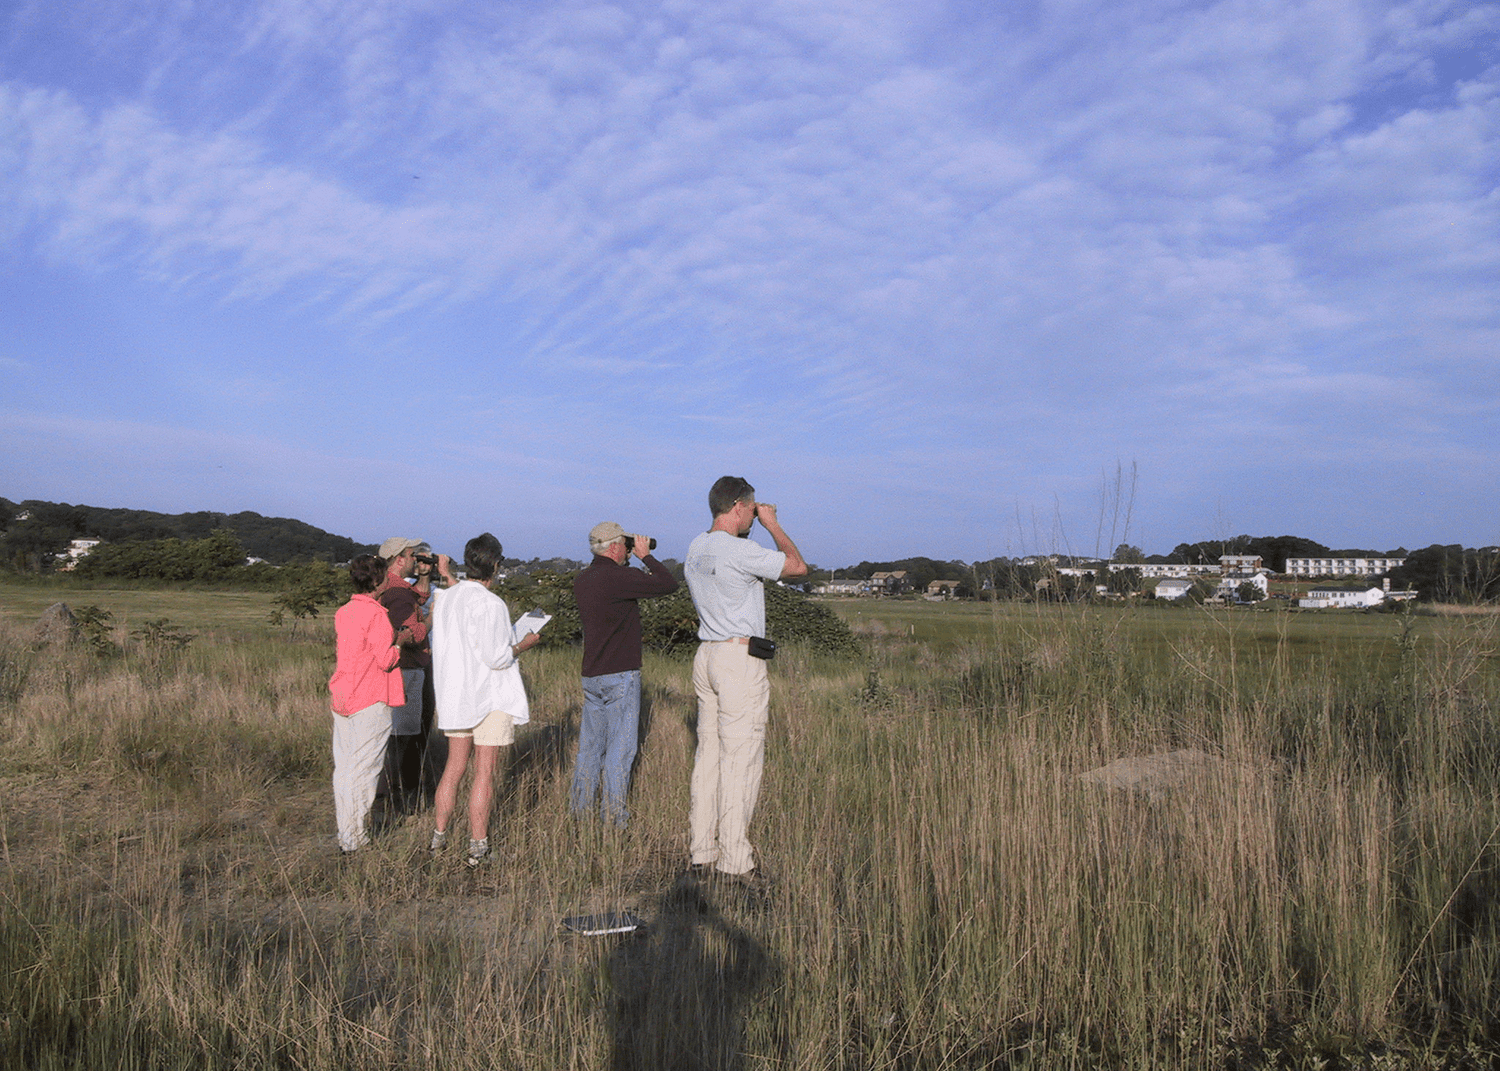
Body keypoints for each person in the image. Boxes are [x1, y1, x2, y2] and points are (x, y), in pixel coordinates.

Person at [683, 476, 806, 885]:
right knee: (741, 759)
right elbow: (796, 567)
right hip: (738, 659)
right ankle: (736, 861)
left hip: (707, 654)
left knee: (709, 757)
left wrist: (755, 520)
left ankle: (702, 852)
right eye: (751, 509)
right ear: (738, 506)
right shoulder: (740, 550)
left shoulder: (696, 547)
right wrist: (772, 524)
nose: (754, 515)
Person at [427, 533, 541, 868]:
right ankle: (478, 847)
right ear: (495, 563)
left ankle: (438, 838)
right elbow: (497, 658)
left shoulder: (446, 599)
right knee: (484, 773)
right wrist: (523, 645)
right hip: (488, 697)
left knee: (453, 769)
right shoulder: (492, 604)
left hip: (454, 695)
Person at [570, 521, 679, 826]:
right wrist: (646, 556)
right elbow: (668, 583)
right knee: (620, 749)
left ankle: (580, 813)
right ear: (616, 546)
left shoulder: (583, 579)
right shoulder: (620, 577)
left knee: (590, 749)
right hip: (620, 674)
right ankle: (614, 818)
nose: (629, 550)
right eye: (627, 546)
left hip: (592, 675)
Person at [327, 553, 411, 854]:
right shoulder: (376, 614)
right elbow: (385, 660)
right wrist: (400, 641)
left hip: (344, 695)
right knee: (366, 770)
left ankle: (347, 832)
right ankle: (354, 837)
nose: (388, 578)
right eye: (385, 575)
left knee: (345, 768)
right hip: (370, 697)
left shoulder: (344, 611)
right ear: (376, 581)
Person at [376, 537, 432, 808]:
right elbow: (411, 634)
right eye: (412, 555)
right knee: (402, 737)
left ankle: (391, 792)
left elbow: (419, 595)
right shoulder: (398, 594)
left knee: (398, 734)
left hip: (400, 669)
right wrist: (432, 617)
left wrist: (424, 575)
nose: (415, 559)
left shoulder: (392, 587)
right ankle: (392, 795)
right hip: (407, 669)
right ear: (399, 559)